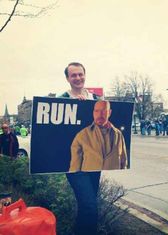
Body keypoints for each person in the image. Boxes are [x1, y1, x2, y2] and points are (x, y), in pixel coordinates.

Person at [60, 62, 101, 234]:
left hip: (94, 161)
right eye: (73, 75)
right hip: (74, 163)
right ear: (68, 78)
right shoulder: (61, 99)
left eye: (80, 74)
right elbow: (55, 134)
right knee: (89, 206)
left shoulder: (96, 100)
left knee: (88, 206)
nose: (78, 78)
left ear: (85, 75)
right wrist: (75, 108)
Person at [69, 100, 127, 172]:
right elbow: (74, 169)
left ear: (109, 112)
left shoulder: (118, 135)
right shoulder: (82, 135)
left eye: (103, 111)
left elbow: (123, 162)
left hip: (112, 181)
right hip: (90, 181)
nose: (100, 115)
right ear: (93, 113)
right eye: (96, 111)